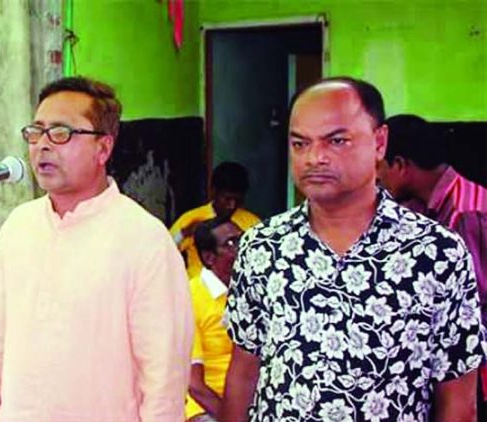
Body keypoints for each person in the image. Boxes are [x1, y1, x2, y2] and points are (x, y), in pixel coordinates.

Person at [220, 77, 486, 421]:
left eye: (337, 141)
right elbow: (244, 373)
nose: (315, 157)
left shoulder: (437, 254)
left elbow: (458, 402)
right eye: (300, 143)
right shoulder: (262, 246)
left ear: (380, 143)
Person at [0, 76, 193, 421]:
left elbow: (164, 380)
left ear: (103, 148)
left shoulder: (144, 240)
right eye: (36, 132)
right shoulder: (20, 226)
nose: (43, 145)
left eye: (61, 133)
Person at [377, 114, 487, 313]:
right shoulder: (416, 204)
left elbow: (473, 299)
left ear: (400, 165)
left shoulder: (465, 213)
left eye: (379, 167)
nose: (376, 177)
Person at [185, 216, 241, 421]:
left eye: (243, 239)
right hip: (207, 406)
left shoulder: (250, 290)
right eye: (231, 244)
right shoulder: (190, 298)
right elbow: (194, 385)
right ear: (209, 258)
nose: (242, 248)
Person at [169, 162, 259, 280]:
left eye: (237, 200)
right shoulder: (191, 218)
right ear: (213, 191)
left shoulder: (252, 223)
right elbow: (164, 251)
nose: (232, 205)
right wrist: (184, 234)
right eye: (227, 199)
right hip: (197, 292)